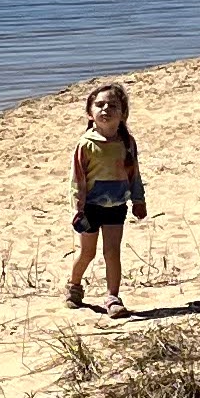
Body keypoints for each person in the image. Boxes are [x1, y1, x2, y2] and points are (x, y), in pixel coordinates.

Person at [66, 80, 149, 313]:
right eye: (100, 105)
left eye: (112, 106)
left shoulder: (126, 143)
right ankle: (74, 286)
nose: (106, 110)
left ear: (122, 114)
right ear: (90, 113)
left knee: (112, 251)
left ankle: (113, 297)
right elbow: (77, 180)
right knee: (87, 252)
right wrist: (77, 208)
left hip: (116, 205)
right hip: (90, 206)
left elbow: (134, 174)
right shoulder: (86, 144)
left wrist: (138, 200)